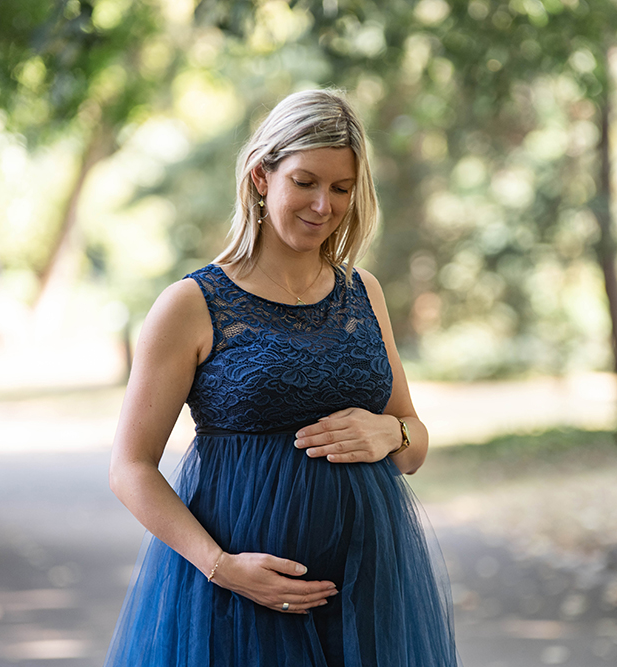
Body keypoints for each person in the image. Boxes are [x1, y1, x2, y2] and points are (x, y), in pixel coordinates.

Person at [104, 89, 461, 666]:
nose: (324, 205)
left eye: (341, 188)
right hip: (239, 595)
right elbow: (130, 468)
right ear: (261, 176)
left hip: (367, 587)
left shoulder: (363, 294)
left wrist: (389, 434)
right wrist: (224, 569)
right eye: (306, 181)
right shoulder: (192, 304)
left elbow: (413, 443)